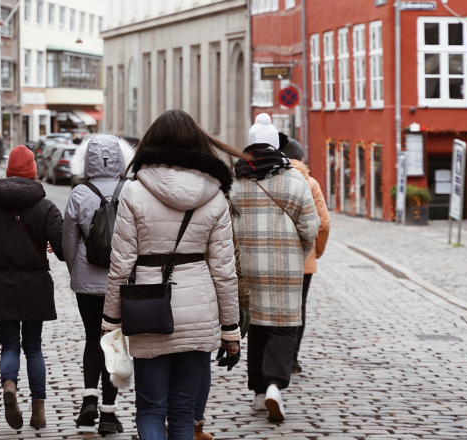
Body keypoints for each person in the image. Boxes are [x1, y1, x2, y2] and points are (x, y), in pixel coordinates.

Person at [102, 110, 241, 440]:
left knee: (150, 409)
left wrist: (110, 320)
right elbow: (224, 271)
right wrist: (231, 328)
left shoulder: (134, 192)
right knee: (182, 411)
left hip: (149, 308)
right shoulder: (216, 195)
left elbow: (121, 264)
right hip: (200, 308)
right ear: (197, 144)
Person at [0, 146, 64, 430]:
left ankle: (9, 385)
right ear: (33, 171)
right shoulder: (46, 206)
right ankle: (39, 408)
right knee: (33, 347)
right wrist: (50, 246)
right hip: (35, 285)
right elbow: (63, 247)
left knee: (9, 344)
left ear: (8, 170)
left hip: (1, 283)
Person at [229, 114, 319, 422]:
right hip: (286, 266)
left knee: (257, 326)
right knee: (283, 327)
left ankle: (256, 392)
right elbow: (311, 227)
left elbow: (227, 225)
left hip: (250, 265)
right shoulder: (294, 179)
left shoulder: (236, 179)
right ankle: (273, 385)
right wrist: (299, 252)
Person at [62, 135, 135, 435]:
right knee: (114, 340)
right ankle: (108, 413)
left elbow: (69, 241)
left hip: (87, 282)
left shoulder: (79, 192)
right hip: (120, 282)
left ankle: (88, 399)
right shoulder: (130, 189)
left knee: (92, 337)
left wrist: (76, 270)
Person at [278, 135, 330, 374]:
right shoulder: (310, 182)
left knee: (273, 308)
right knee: (298, 308)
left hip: (273, 256)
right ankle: (292, 359)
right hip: (303, 259)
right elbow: (323, 223)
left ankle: (272, 358)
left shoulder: (272, 178)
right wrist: (315, 252)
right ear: (300, 157)